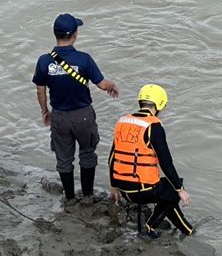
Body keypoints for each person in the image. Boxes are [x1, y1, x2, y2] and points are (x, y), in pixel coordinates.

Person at [33, 13, 119, 202]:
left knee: (64, 158)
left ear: (55, 34)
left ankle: (70, 197)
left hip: (60, 117)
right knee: (87, 154)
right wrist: (112, 86)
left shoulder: (44, 61)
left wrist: (45, 111)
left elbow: (40, 90)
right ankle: (88, 195)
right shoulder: (84, 59)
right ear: (75, 35)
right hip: (83, 116)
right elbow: (102, 84)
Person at [108, 84, 194, 239]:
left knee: (169, 191)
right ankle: (150, 226)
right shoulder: (153, 126)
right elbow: (166, 162)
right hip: (140, 191)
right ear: (160, 105)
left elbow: (112, 158)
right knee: (173, 191)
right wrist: (181, 190)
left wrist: (114, 188)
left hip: (123, 189)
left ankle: (187, 230)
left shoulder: (122, 121)